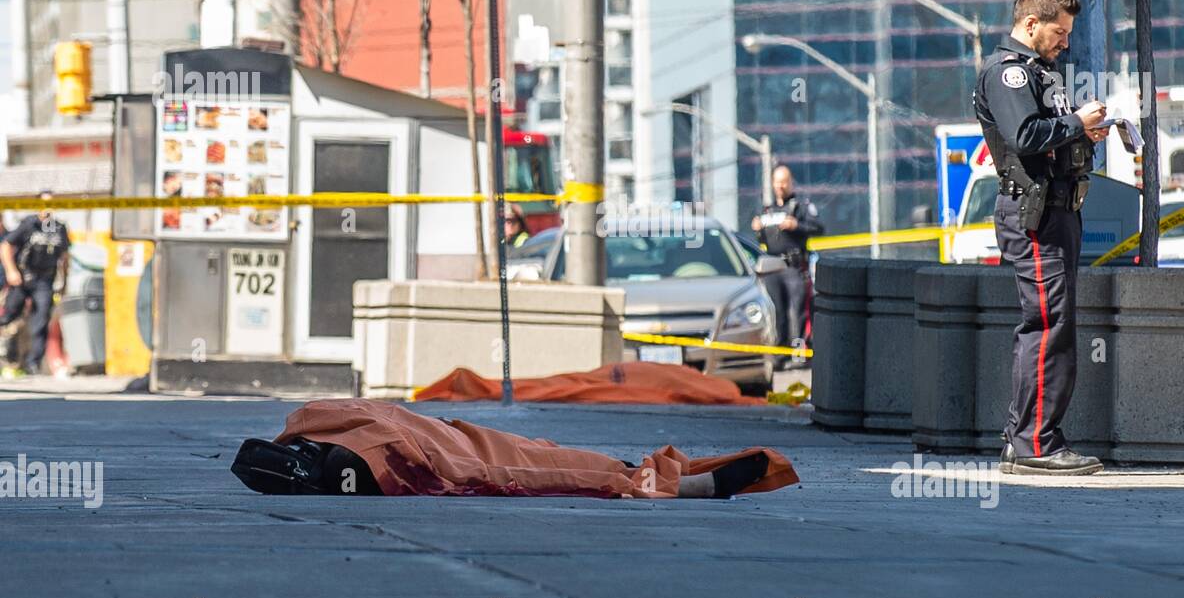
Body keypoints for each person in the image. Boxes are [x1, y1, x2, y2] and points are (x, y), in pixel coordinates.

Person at [973, 0, 1108, 476]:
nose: (1065, 43)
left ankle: (1030, 438)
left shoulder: (1036, 71)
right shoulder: (1007, 73)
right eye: (1059, 33)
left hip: (1058, 211)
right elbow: (1026, 135)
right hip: (1033, 215)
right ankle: (1034, 444)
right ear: (1031, 24)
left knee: (1058, 326)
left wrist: (1081, 127)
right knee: (1047, 326)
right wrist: (1076, 122)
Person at [231, 398, 800, 499]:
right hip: (454, 439)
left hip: (452, 444)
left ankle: (646, 479)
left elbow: (434, 464)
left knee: (535, 463)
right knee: (542, 460)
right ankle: (651, 478)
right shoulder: (310, 423)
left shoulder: (327, 444)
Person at [751, 166, 824, 353]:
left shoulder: (801, 207)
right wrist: (758, 228)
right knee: (778, 311)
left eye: (784, 181)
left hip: (795, 267)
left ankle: (800, 350)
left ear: (791, 183)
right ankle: (780, 352)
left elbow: (819, 228)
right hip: (772, 268)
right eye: (777, 182)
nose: (781, 186)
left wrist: (796, 225)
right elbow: (763, 240)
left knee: (799, 311)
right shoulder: (767, 210)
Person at [0, 192, 70, 377]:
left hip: (45, 280)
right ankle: (7, 359)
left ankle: (33, 364)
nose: (48, 209)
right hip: (23, 277)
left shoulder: (59, 228)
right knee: (7, 317)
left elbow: (64, 257)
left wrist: (64, 283)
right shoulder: (29, 224)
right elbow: (6, 245)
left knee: (40, 321)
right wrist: (11, 271)